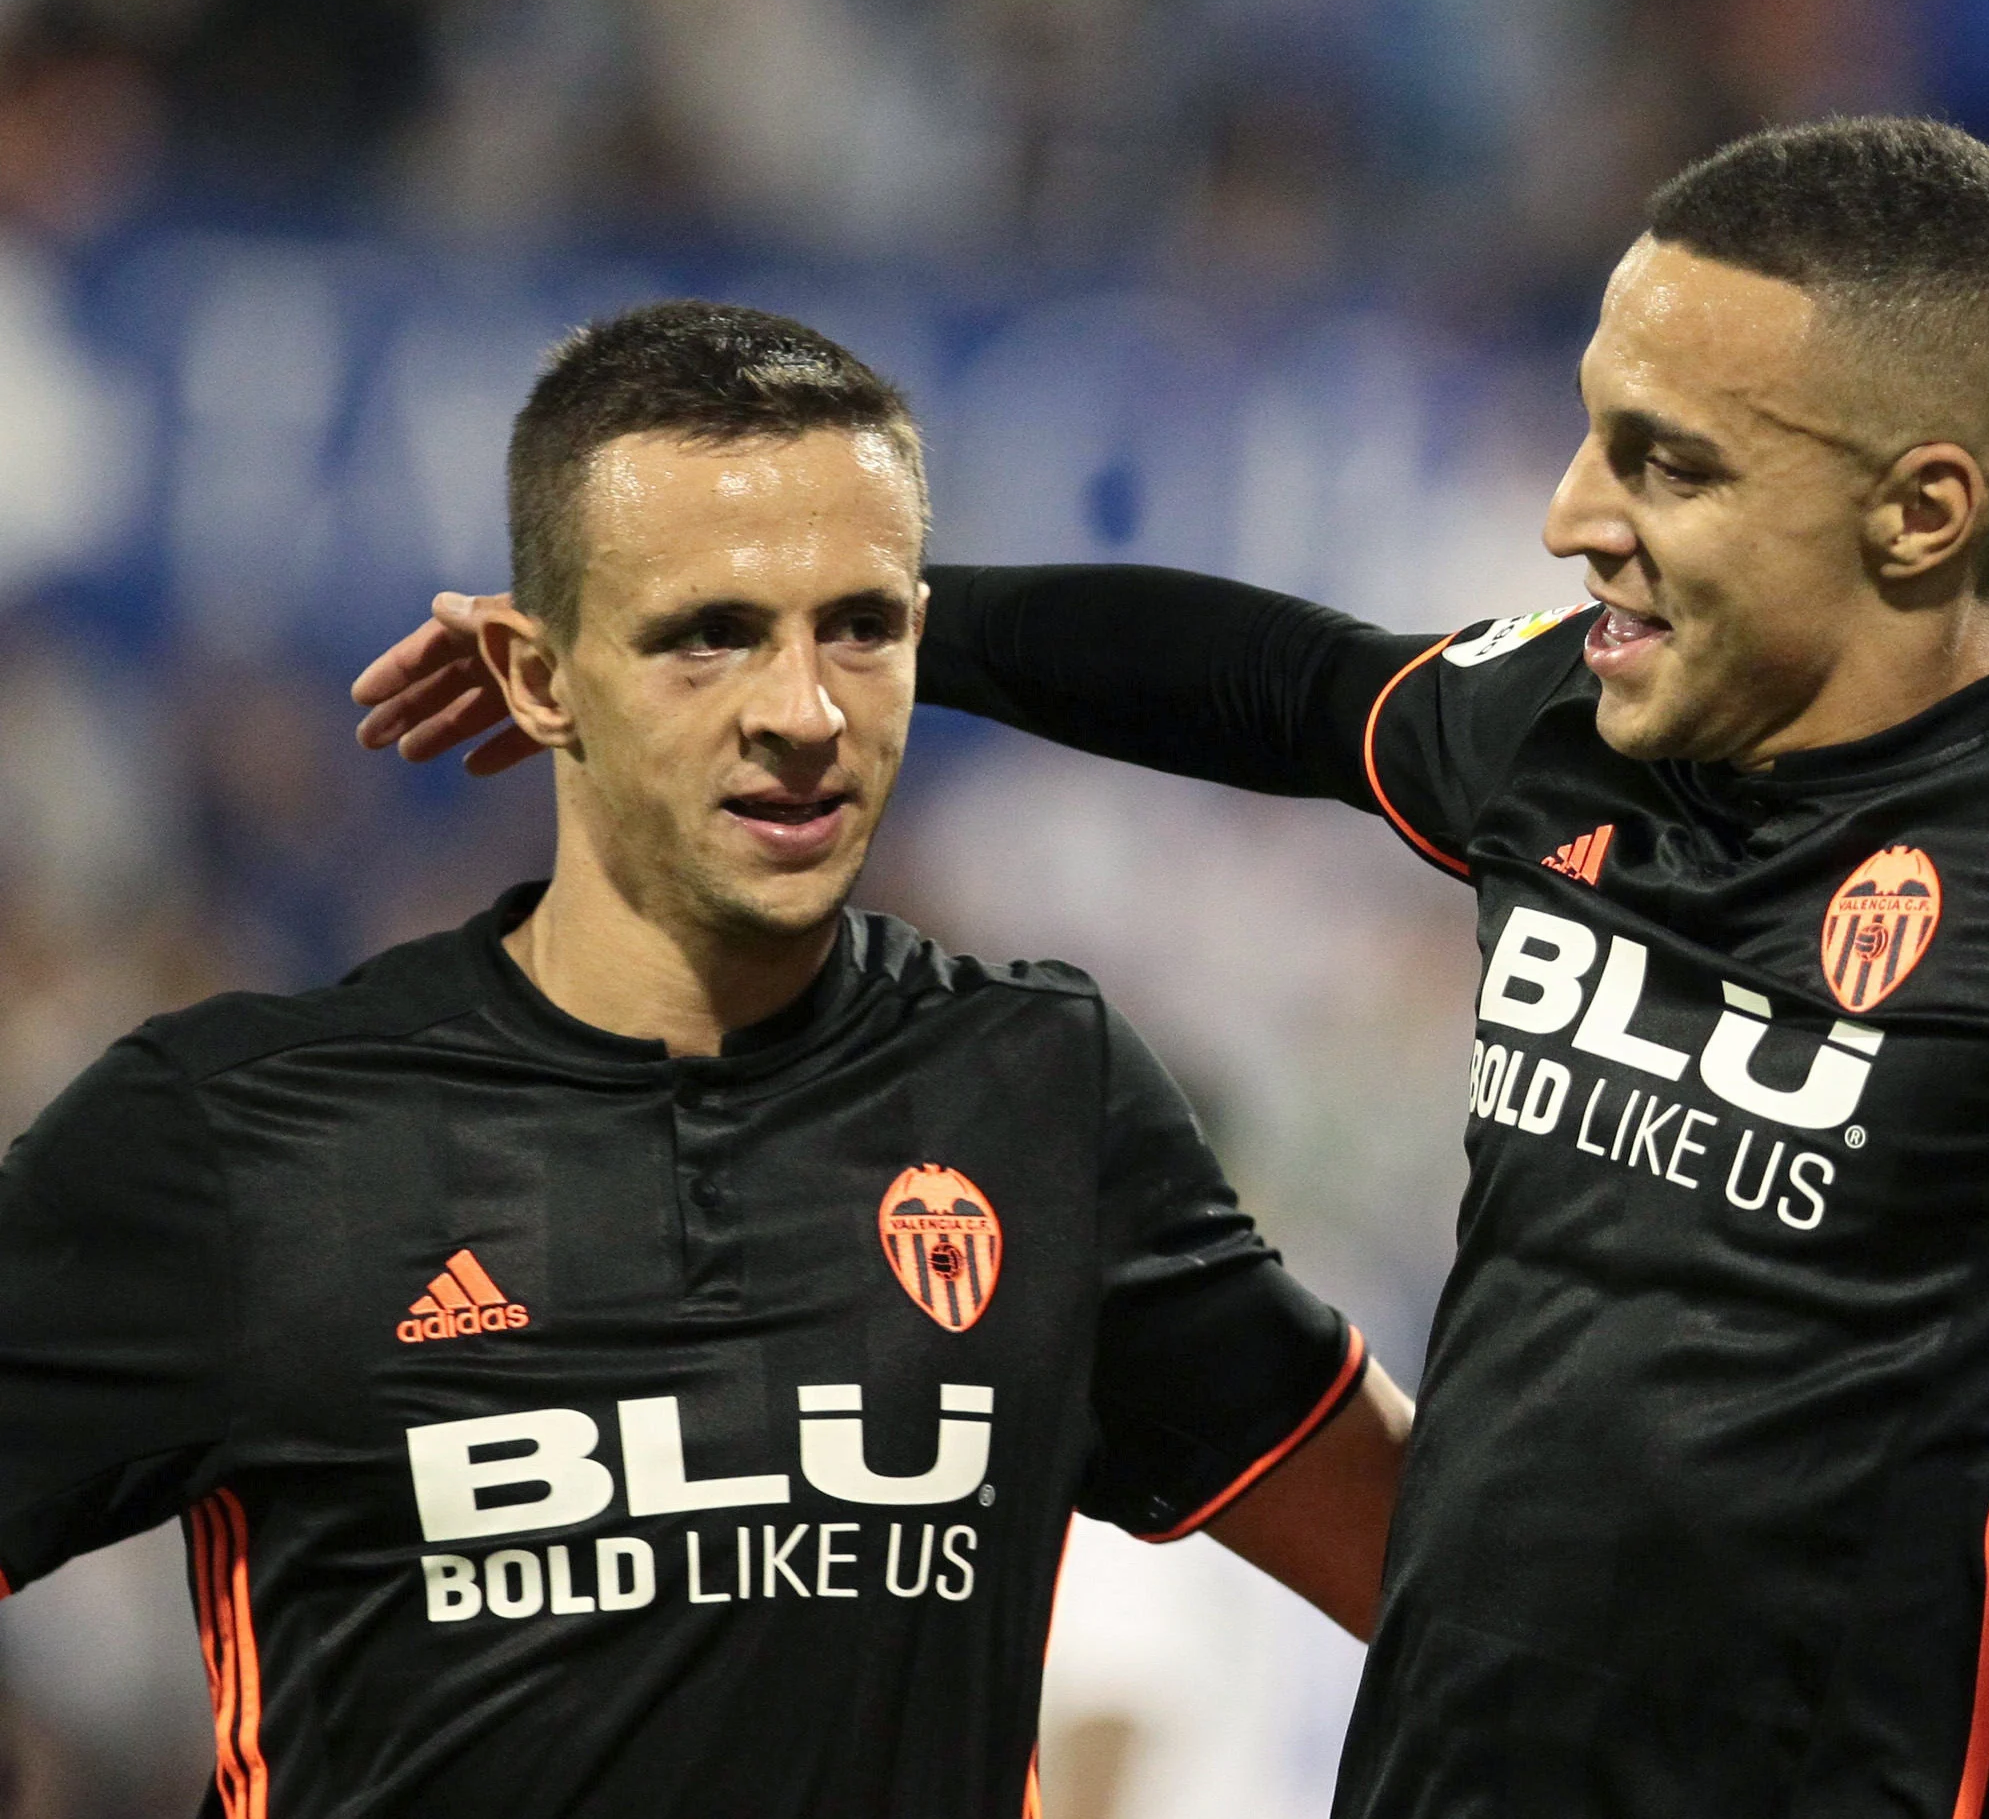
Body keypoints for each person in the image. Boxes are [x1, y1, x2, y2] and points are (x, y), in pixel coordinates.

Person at [350, 128, 1989, 1816]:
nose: (1575, 516)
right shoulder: (1566, 736)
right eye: (1593, 432)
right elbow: (1276, 686)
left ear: (1919, 505)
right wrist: (858, 634)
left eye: (1664, 459)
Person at [0, 302, 1410, 1816]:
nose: (801, 714)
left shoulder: (1042, 1098)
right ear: (536, 678)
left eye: (860, 626)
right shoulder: (239, 1138)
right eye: (707, 634)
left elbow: (1468, 1594)